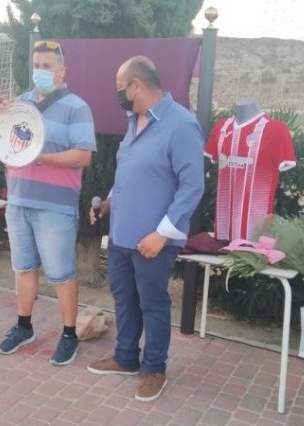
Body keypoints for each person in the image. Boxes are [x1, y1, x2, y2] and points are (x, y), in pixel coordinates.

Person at [86, 56, 205, 401]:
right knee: (124, 297)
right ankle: (126, 358)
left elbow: (192, 186)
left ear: (137, 85)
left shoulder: (181, 125)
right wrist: (108, 202)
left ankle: (155, 368)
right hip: (121, 234)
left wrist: (162, 234)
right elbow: (130, 171)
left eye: (120, 88)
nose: (117, 95)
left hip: (154, 240)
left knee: (152, 303)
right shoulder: (134, 121)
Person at [0, 40, 97, 365]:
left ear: (63, 70)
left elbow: (84, 156)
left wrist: (41, 158)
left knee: (62, 274)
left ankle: (69, 334)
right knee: (24, 268)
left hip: (55, 206)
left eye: (47, 66)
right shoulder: (21, 104)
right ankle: (24, 327)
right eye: (36, 65)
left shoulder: (77, 107)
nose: (40, 72)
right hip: (18, 200)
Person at [206, 98, 296, 241]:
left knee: (250, 243)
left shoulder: (277, 130)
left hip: (255, 234)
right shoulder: (221, 127)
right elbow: (215, 158)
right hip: (222, 232)